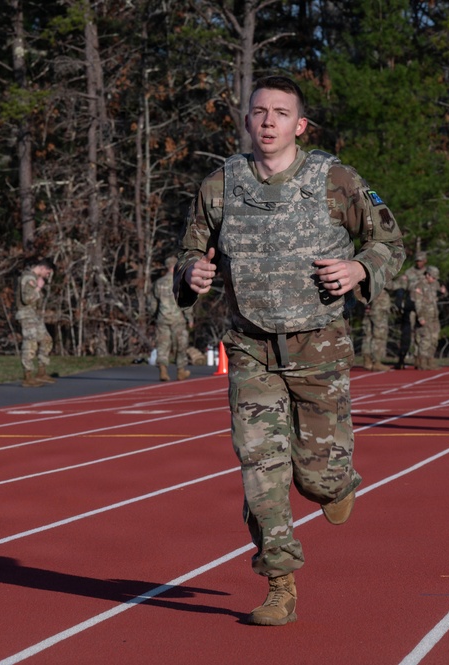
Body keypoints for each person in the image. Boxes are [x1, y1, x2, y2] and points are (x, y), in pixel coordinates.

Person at [174, 75, 404, 626]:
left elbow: (389, 243)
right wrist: (191, 273)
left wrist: (359, 269)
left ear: (300, 125)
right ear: (247, 121)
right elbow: (188, 251)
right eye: (260, 112)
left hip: (318, 345)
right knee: (260, 466)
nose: (269, 121)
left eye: (281, 113)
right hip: (250, 347)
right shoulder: (220, 185)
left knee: (318, 479)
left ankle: (336, 483)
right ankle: (279, 583)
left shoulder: (336, 180)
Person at [153, 256, 193, 381]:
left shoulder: (159, 283)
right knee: (180, 344)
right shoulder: (180, 282)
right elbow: (186, 302)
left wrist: (154, 315)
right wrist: (189, 318)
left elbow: (153, 303)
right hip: (178, 319)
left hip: (162, 318)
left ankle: (163, 370)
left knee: (162, 344)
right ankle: (180, 370)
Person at [17, 257, 56, 387]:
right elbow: (27, 299)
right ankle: (28, 376)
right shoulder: (28, 278)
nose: (47, 276)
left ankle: (41, 372)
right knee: (30, 344)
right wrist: (38, 288)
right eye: (48, 272)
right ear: (43, 268)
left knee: (46, 340)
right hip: (26, 315)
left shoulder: (33, 278)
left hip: (34, 315)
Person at [412, 265, 442, 369]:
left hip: (434, 316)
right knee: (425, 339)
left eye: (435, 278)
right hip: (425, 315)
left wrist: (443, 292)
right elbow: (418, 303)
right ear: (427, 275)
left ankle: (430, 359)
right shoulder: (419, 285)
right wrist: (420, 317)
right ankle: (422, 362)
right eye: (433, 277)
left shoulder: (434, 285)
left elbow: (439, 296)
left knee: (434, 339)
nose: (434, 280)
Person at [360, 288, 392, 371]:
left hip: (369, 307)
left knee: (367, 335)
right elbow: (391, 285)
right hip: (379, 309)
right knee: (379, 336)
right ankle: (377, 362)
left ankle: (367, 361)